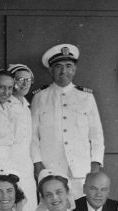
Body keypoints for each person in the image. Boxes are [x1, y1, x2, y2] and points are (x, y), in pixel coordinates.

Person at [30, 43, 105, 199]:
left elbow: (96, 134)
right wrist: (37, 164)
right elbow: (33, 136)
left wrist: (96, 164)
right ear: (51, 70)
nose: (64, 71)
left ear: (74, 69)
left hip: (81, 169)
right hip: (51, 168)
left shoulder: (86, 97)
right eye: (58, 66)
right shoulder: (40, 97)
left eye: (68, 66)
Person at [0, 69, 35, 202]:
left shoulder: (3, 109)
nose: (6, 92)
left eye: (10, 88)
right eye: (2, 87)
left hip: (8, 167)